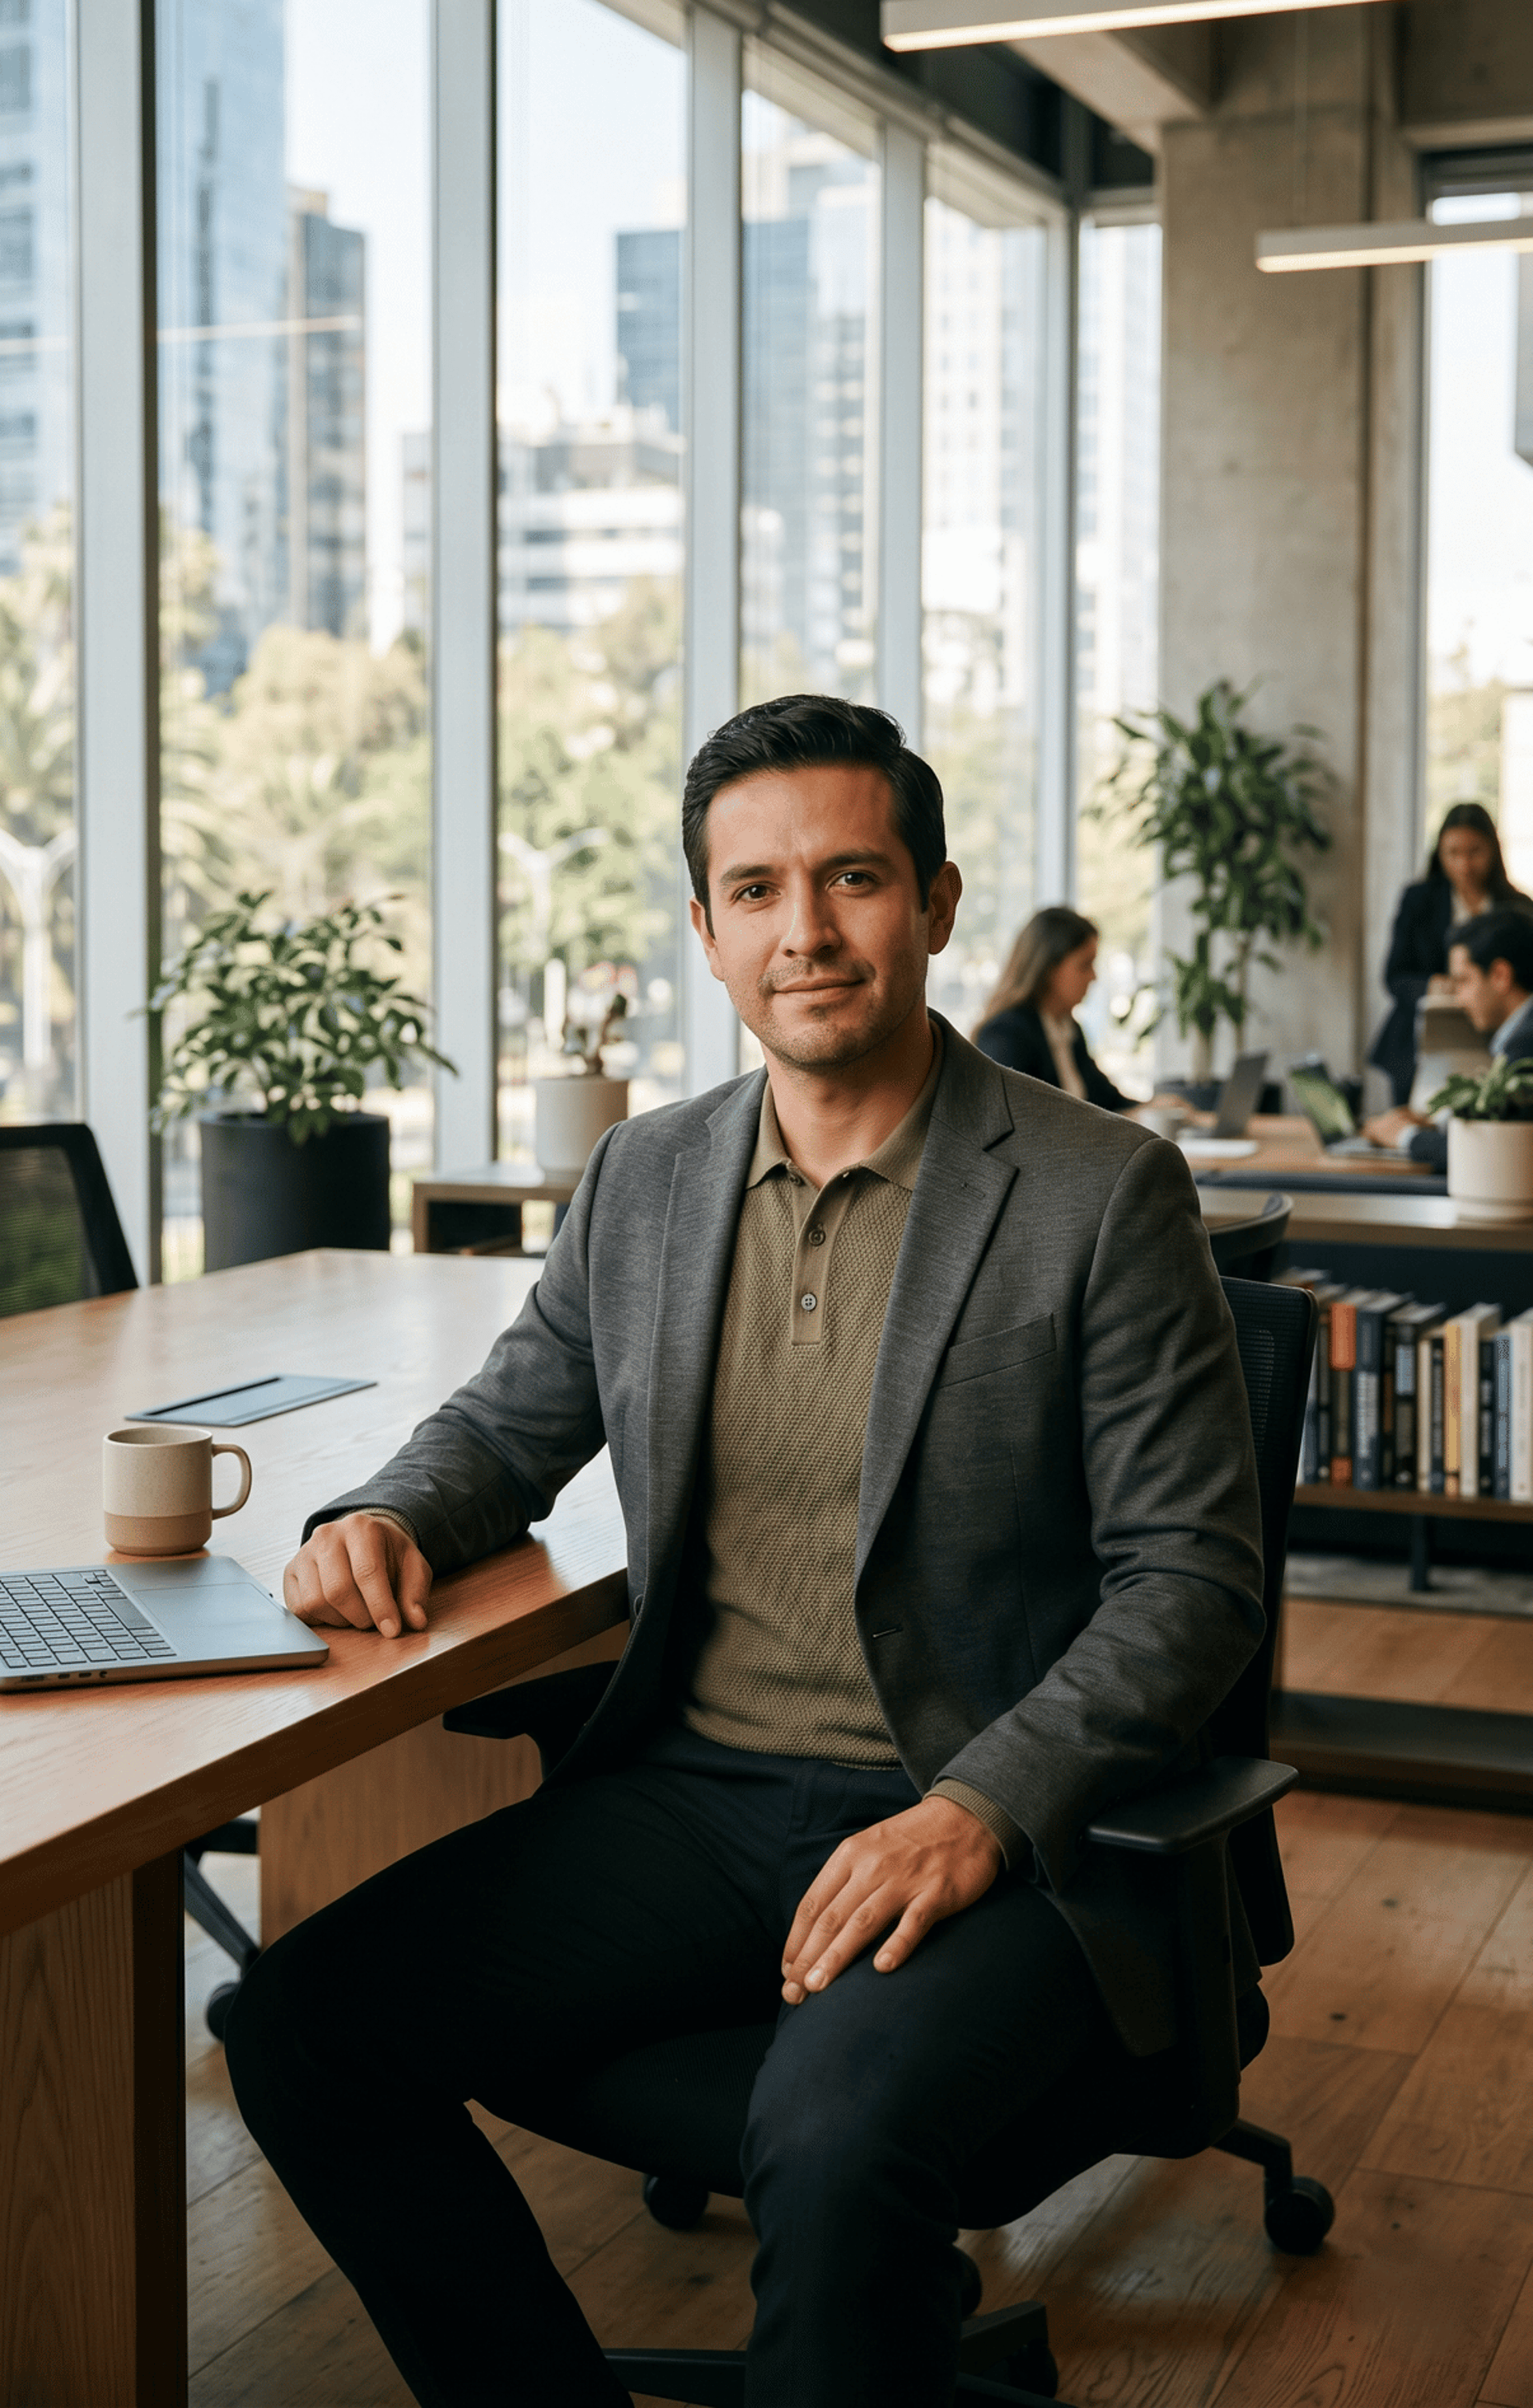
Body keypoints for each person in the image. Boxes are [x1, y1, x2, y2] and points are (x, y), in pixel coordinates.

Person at [224, 695, 1264, 2408]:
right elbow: (509, 1419)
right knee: (301, 2029)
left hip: (978, 1812)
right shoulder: (646, 1176)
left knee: (835, 2133)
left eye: (851, 877)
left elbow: (1191, 1582)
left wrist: (981, 1809)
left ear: (931, 898)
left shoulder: (1099, 1191)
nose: (809, 930)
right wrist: (385, 1514)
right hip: (697, 1795)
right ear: (705, 930)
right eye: (758, 888)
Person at [1369, 802, 1523, 1106]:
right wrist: (1434, 985)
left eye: (1475, 852)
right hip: (1419, 1040)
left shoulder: (1517, 908)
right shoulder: (1418, 900)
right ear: (1439, 852)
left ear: (1493, 849)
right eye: (1453, 853)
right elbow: (1393, 975)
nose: (1464, 865)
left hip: (1490, 1043)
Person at [1364, 903, 1533, 1171]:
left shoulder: (1526, 1047)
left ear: (1500, 976)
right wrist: (1436, 1125)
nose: (1459, 999)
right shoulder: (1518, 1037)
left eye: (1464, 981)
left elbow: (1488, 1155)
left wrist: (1405, 1137)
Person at [972, 905, 1136, 1109]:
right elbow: (1020, 1128)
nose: (1094, 977)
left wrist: (1156, 1107)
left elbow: (1109, 1103)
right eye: (1085, 965)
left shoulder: (1068, 1028)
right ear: (1049, 969)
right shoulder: (1006, 1035)